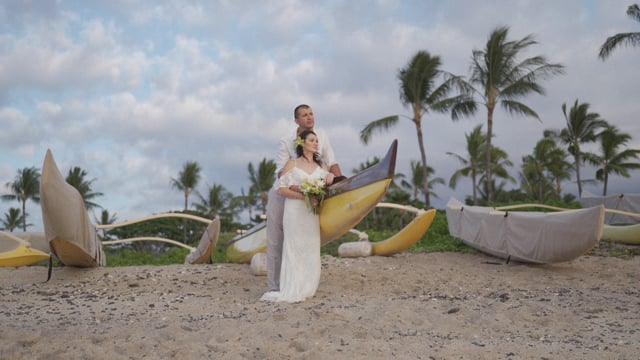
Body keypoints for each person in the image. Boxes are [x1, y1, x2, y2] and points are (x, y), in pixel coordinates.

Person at [265, 104, 343, 293]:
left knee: (307, 241)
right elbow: (281, 175)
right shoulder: (286, 141)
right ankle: (275, 286)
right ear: (296, 120)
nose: (309, 118)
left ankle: (303, 284)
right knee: (277, 240)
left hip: (311, 193)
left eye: (311, 114)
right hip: (285, 191)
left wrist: (340, 183)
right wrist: (303, 189)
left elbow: (331, 162)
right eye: (304, 115)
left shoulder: (322, 136)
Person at [260, 130, 333, 302]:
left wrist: (330, 177)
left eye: (317, 140)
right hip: (294, 211)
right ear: (302, 143)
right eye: (312, 140)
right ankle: (292, 286)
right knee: (294, 247)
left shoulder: (321, 166)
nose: (316, 143)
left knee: (310, 246)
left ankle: (307, 286)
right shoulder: (291, 164)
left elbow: (326, 188)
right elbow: (281, 189)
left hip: (311, 214)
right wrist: (304, 196)